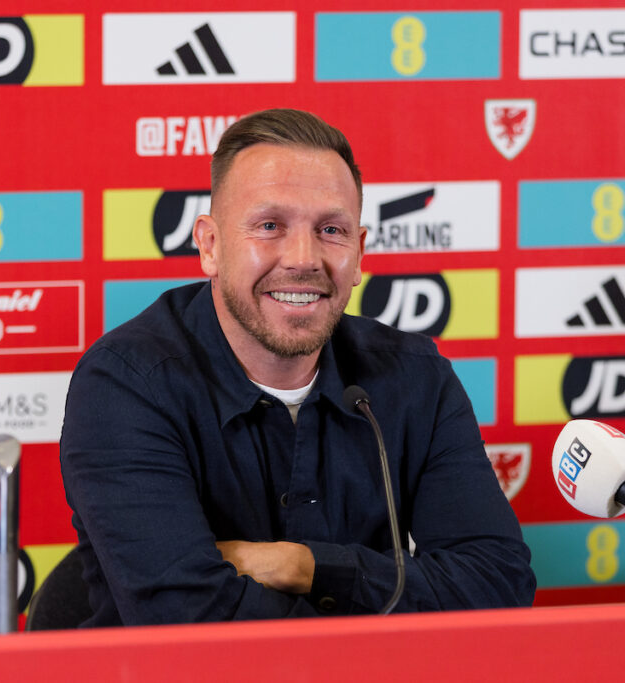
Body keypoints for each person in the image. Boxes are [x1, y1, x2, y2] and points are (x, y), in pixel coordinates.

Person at [60, 108, 535, 626]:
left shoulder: (416, 377)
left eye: (331, 229)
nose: (303, 258)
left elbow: (498, 583)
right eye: (270, 226)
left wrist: (304, 566)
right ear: (211, 245)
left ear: (357, 254)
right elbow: (187, 616)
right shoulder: (126, 383)